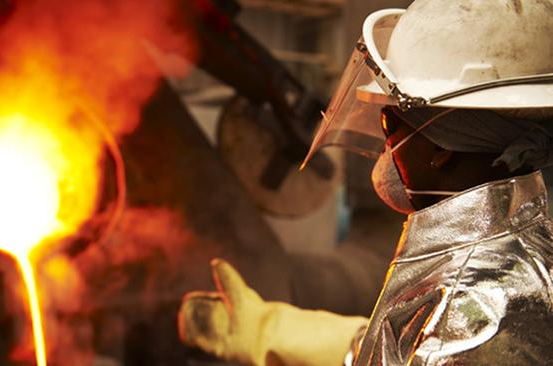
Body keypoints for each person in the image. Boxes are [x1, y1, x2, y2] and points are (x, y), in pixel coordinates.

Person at [177, 1, 553, 365]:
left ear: (443, 148)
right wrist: (270, 333)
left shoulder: (472, 313)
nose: (384, 144)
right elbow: (397, 348)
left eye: (390, 121)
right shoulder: (509, 253)